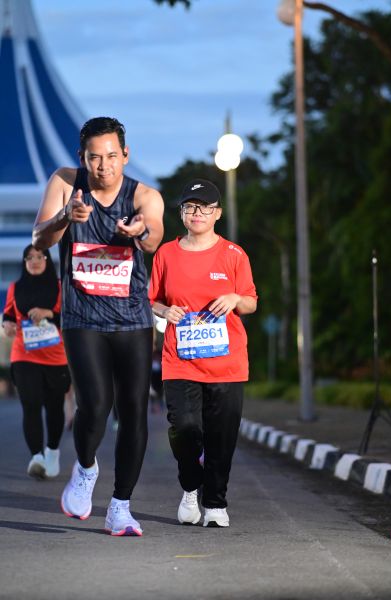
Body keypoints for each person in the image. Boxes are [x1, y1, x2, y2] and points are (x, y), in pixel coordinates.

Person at [32, 116, 164, 536]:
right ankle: (86, 468)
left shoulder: (144, 196)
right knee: (94, 405)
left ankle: (120, 506)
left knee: (134, 411)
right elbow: (39, 240)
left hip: (132, 318)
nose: (103, 165)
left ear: (125, 154)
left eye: (111, 156)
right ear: (82, 157)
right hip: (82, 315)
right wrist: (65, 217)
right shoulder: (65, 182)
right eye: (94, 157)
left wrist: (140, 231)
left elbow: (154, 238)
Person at [149, 178, 257, 528]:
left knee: (221, 437)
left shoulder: (234, 254)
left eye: (205, 208)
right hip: (180, 360)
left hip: (227, 363)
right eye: (190, 207)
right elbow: (151, 299)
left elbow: (251, 301)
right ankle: (190, 486)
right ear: (181, 212)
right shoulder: (166, 254)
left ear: (218, 213)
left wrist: (235, 299)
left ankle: (215, 504)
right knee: (184, 427)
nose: (197, 213)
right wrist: (165, 311)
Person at [2, 245, 71, 479]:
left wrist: (49, 313)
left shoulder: (60, 287)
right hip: (24, 354)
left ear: (47, 260)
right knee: (30, 405)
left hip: (55, 357)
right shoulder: (15, 287)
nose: (34, 261)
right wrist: (7, 324)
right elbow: (9, 314)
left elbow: (71, 316)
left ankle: (52, 452)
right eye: (29, 257)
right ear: (24, 262)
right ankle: (37, 457)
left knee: (54, 408)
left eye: (39, 256)